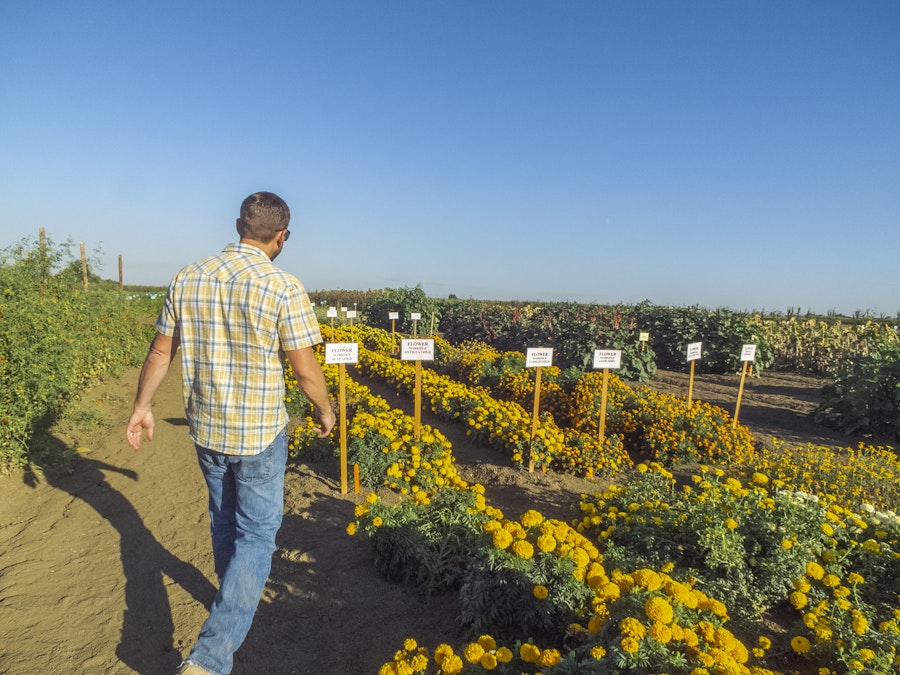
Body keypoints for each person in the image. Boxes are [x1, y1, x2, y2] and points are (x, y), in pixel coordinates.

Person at [125, 191, 336, 675]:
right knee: (258, 535)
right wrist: (324, 408)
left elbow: (161, 353)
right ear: (282, 236)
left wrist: (142, 407)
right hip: (259, 432)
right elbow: (304, 370)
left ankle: (231, 601)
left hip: (206, 427)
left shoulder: (189, 276)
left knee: (224, 522)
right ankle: (210, 656)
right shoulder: (283, 286)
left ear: (239, 224)